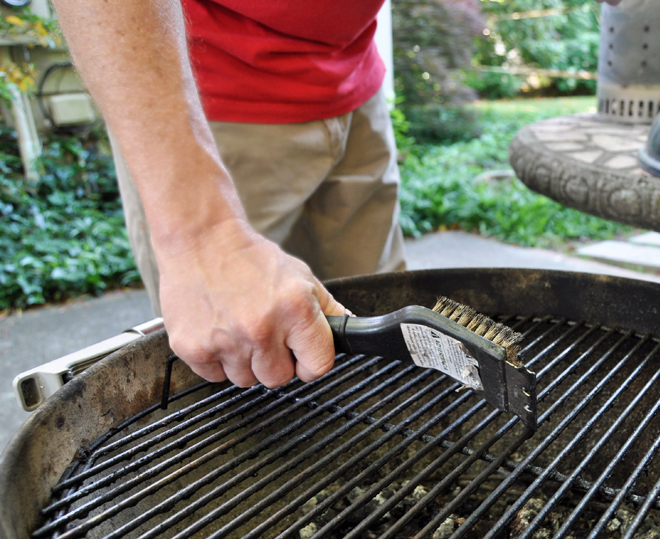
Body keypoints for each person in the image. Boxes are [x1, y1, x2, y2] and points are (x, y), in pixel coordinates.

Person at [52, 1, 405, 390]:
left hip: (356, 79)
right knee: (243, 362)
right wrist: (202, 235)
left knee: (384, 349)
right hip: (208, 101)